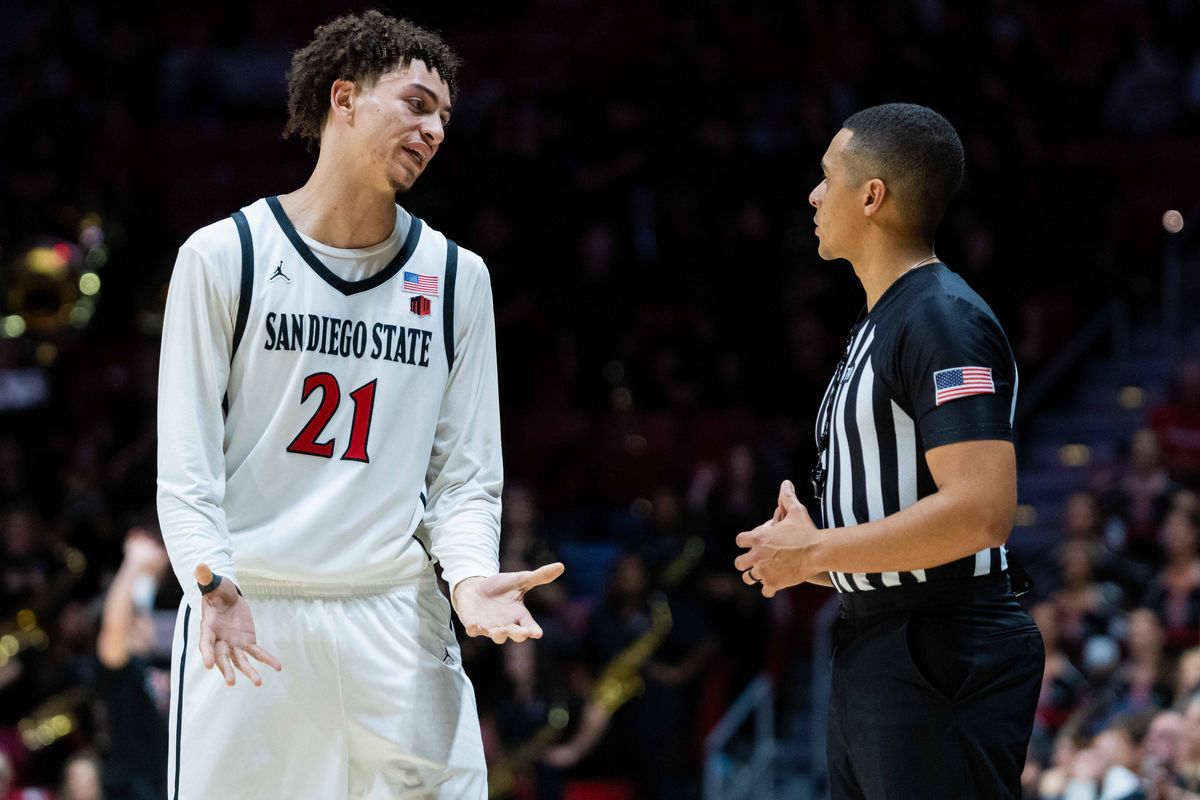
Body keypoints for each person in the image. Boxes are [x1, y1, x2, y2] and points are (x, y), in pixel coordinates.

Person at [156, 11, 562, 799]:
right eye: (416, 103)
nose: (435, 128)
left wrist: (470, 577)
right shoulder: (224, 255)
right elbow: (187, 463)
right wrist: (210, 581)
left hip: (396, 617)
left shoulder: (456, 278)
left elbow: (466, 476)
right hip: (252, 610)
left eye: (445, 115)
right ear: (343, 98)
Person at [733, 103, 1044, 798]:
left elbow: (981, 514)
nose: (814, 195)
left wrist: (818, 553)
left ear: (872, 196)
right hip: (881, 644)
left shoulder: (942, 318)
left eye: (826, 178)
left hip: (942, 650)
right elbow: (904, 525)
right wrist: (810, 554)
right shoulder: (882, 321)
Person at [95, 527, 171, 800]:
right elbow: (114, 624)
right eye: (137, 618)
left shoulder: (158, 664)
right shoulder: (120, 668)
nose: (146, 622)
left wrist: (151, 570)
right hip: (131, 791)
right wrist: (134, 562)